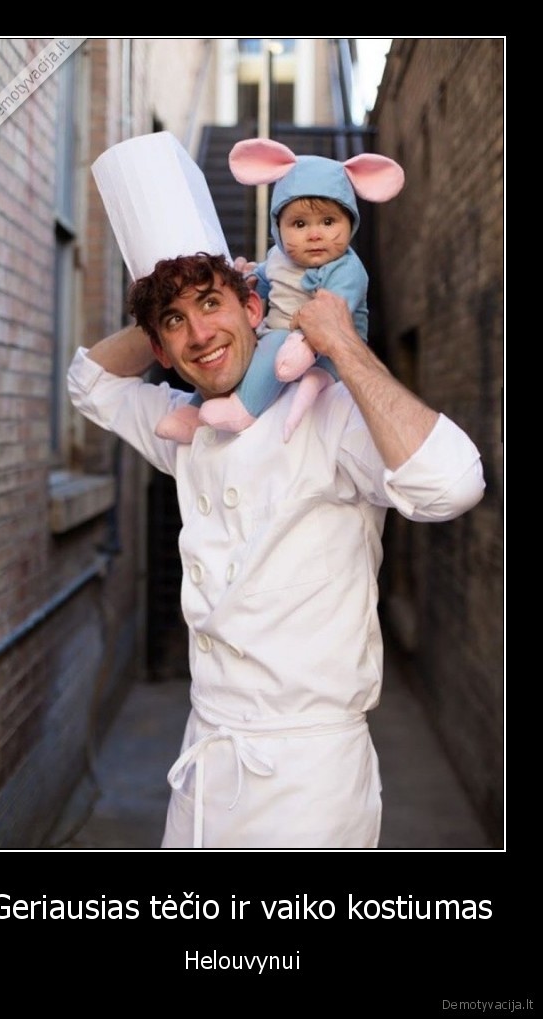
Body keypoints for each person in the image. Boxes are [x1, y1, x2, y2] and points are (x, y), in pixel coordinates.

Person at [67, 251, 485, 850]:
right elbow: (89, 383)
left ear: (254, 308)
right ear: (160, 349)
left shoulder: (331, 414)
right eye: (177, 322)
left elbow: (452, 483)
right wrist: (164, 307)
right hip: (206, 754)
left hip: (308, 774)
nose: (200, 334)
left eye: (212, 304)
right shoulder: (190, 428)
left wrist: (342, 342)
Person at [158, 138, 404, 443]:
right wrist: (244, 281)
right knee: (240, 349)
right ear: (278, 228)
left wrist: (303, 344)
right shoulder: (277, 257)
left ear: (350, 223)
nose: (315, 235)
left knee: (272, 343)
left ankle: (243, 410)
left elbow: (331, 315)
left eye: (328, 222)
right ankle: (195, 411)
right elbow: (262, 283)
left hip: (322, 348)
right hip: (281, 335)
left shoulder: (345, 269)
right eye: (299, 224)